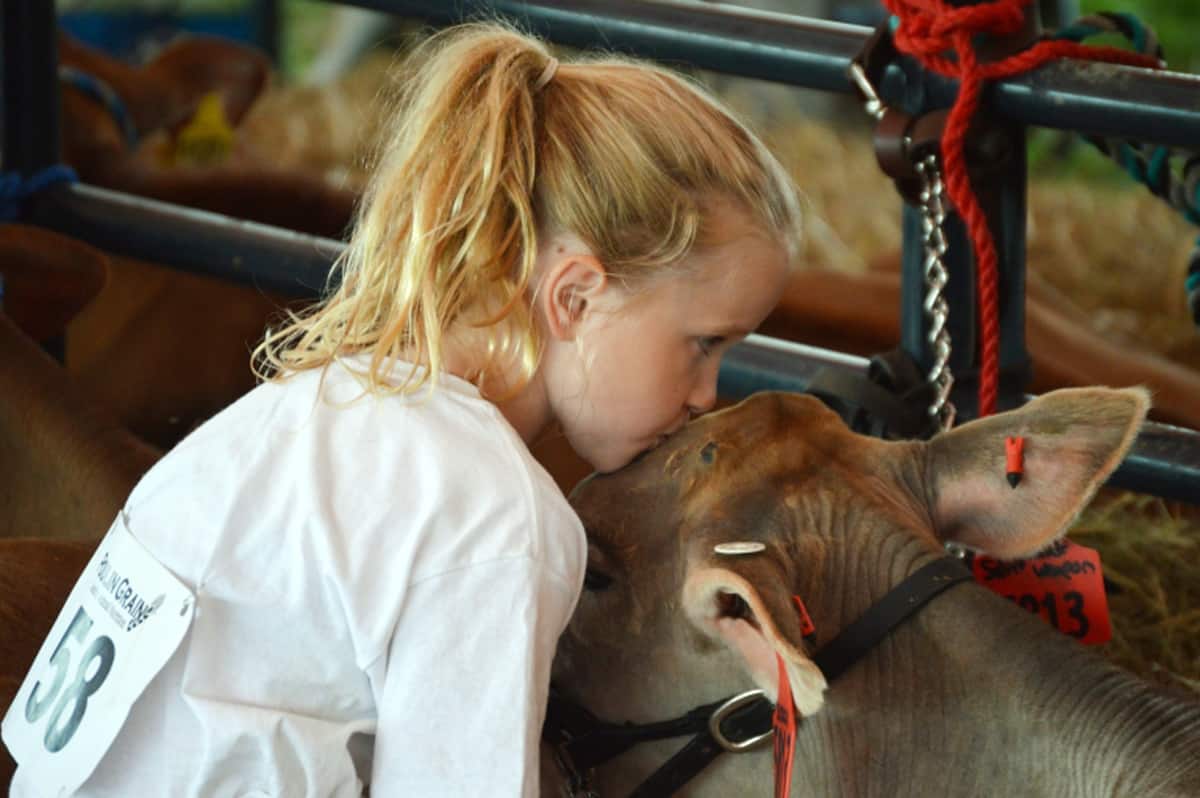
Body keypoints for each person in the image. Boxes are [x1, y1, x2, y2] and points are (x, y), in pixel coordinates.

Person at [3, 20, 803, 797]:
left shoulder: (304, 407)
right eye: (704, 343)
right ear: (575, 295)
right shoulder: (493, 511)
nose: (708, 394)